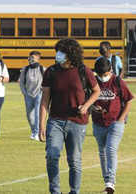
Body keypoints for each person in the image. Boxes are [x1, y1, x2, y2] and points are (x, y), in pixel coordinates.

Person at [39, 38, 100, 194]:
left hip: (77, 122)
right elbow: (45, 100)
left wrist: (86, 106)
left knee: (74, 160)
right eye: (58, 50)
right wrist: (40, 125)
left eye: (62, 51)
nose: (58, 54)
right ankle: (55, 191)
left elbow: (96, 91)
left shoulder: (83, 71)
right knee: (52, 155)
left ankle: (74, 191)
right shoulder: (51, 71)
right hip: (55, 121)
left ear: (71, 53)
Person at [92, 58, 134, 194]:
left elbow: (128, 100)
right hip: (98, 122)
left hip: (115, 121)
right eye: (99, 75)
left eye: (104, 75)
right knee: (102, 151)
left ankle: (110, 182)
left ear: (110, 70)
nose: (102, 78)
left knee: (111, 149)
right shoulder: (93, 82)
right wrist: (93, 107)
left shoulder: (117, 81)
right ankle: (107, 181)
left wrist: (121, 119)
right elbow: (87, 100)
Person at [19, 51, 45, 141]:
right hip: (28, 94)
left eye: (33, 58)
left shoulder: (43, 69)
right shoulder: (25, 69)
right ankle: (34, 130)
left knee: (37, 113)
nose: (30, 59)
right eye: (29, 57)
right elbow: (21, 82)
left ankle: (36, 133)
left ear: (38, 59)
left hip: (39, 94)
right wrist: (24, 92)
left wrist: (43, 92)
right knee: (29, 115)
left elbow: (47, 82)